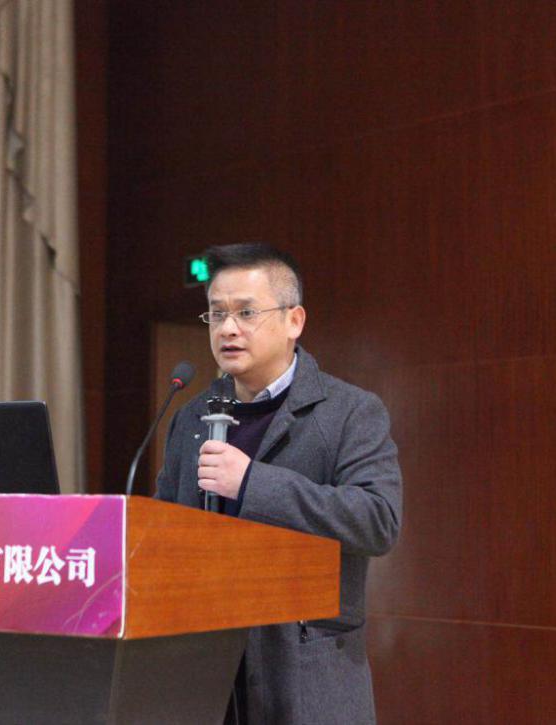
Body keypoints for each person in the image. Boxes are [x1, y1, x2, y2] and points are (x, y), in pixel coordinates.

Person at [155, 242, 402, 724]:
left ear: (294, 321)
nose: (228, 328)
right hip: (205, 677)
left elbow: (378, 520)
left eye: (246, 313)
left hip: (305, 675)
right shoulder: (190, 417)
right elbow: (166, 530)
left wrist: (252, 483)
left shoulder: (350, 411)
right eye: (217, 314)